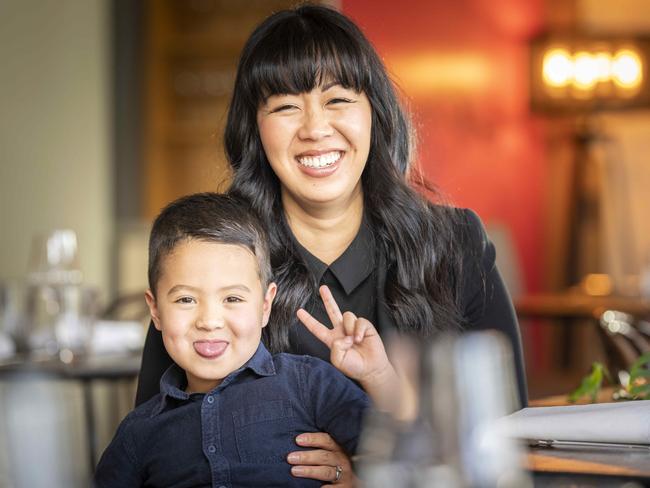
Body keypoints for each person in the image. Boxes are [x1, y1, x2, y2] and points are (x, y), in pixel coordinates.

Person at [135, 4, 527, 485]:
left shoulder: (454, 243)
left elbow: (508, 430)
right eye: (285, 106)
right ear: (254, 129)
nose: (315, 128)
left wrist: (363, 470)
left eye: (338, 99)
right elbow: (160, 440)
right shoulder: (211, 258)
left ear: (374, 113)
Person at [95, 192, 401, 487]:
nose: (209, 321)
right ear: (156, 311)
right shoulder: (139, 431)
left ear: (265, 305)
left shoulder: (309, 383)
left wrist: (377, 375)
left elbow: (403, 452)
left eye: (232, 298)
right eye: (186, 300)